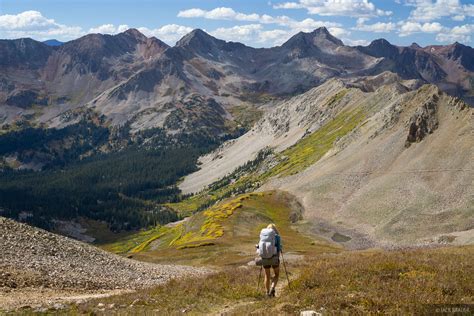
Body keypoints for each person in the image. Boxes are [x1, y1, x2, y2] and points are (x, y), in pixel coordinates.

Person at [256, 223, 282, 297]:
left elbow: (259, 247)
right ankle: (272, 288)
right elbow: (279, 249)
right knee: (276, 274)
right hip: (274, 258)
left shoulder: (263, 236)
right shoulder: (277, 237)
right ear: (275, 229)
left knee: (267, 276)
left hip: (264, 258)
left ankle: (267, 293)